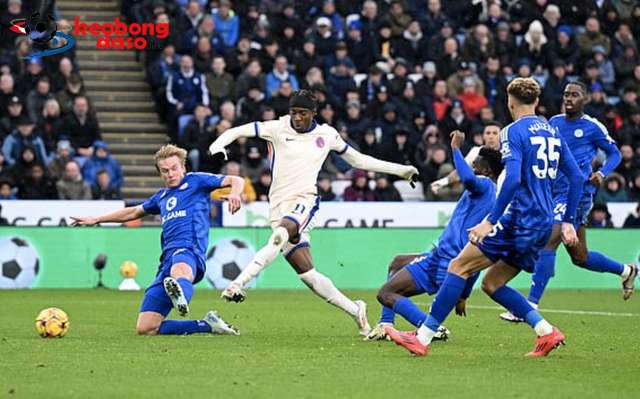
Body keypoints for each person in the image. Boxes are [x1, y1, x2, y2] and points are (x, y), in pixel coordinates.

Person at [385, 77, 583, 357]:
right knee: (492, 283)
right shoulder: (552, 131)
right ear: (536, 102)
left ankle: (423, 338)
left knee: (458, 266)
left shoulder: (512, 132)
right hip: (543, 223)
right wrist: (569, 221)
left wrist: (491, 220)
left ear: (510, 102)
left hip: (519, 219)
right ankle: (546, 331)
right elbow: (576, 176)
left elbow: (512, 178)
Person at [208, 90, 418, 336]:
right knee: (308, 275)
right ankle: (356, 310)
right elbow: (238, 130)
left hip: (304, 201)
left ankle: (237, 284)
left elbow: (358, 160)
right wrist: (218, 144)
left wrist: (400, 170)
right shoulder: (276, 128)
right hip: (278, 206)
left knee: (279, 236)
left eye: (302, 114)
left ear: (313, 114)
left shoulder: (327, 134)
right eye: (294, 113)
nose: (297, 118)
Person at [71, 144, 243, 336]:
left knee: (180, 270)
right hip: (166, 261)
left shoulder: (196, 181)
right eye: (165, 171)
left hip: (189, 249)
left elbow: (235, 179)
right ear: (160, 173)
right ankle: (207, 324)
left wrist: (235, 193)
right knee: (146, 328)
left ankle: (181, 297)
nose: (170, 174)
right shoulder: (161, 197)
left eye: (174, 168)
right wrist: (97, 219)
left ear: (183, 167)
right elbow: (134, 212)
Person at [500, 82, 636, 323]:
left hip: (578, 193)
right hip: (552, 192)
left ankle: (530, 305)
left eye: (575, 95)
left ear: (585, 99)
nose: (569, 98)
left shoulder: (592, 126)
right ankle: (627, 271)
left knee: (548, 240)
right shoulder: (553, 122)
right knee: (580, 257)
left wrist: (602, 173)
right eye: (566, 95)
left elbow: (615, 153)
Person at [367, 131, 502, 341]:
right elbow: (475, 257)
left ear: (485, 170)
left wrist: (455, 148)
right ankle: (386, 324)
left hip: (445, 263)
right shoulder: (488, 195)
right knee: (397, 263)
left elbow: (466, 177)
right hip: (442, 258)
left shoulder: (484, 185)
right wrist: (464, 294)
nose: (471, 167)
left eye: (475, 164)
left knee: (386, 294)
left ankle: (428, 327)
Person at [431, 121, 503, 194]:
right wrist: (443, 182)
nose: (491, 136)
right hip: (479, 193)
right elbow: (461, 171)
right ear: (483, 136)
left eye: (495, 133)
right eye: (488, 133)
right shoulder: (475, 151)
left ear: (501, 136)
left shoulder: (507, 153)